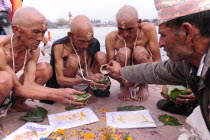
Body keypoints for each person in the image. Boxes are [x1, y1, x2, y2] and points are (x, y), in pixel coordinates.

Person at [107, 0, 210, 132]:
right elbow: (157, 71)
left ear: (187, 32)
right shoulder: (186, 64)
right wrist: (122, 71)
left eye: (163, 35)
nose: (160, 44)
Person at [0, 7, 84, 133]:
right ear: (17, 30)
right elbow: (18, 88)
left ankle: (17, 105)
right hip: (4, 83)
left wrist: (61, 92)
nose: (41, 38)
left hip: (11, 85)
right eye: (36, 32)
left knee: (45, 68)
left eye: (43, 32)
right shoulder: (1, 48)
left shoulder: (33, 49)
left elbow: (29, 84)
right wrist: (57, 95)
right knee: (5, 79)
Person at [46, 15, 110, 104]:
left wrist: (95, 78)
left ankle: (90, 90)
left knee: (101, 55)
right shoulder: (60, 46)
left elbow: (88, 69)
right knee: (73, 59)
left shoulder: (93, 43)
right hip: (69, 80)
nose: (86, 46)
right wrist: (86, 79)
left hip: (84, 76)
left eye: (89, 41)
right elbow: (60, 79)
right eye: (82, 41)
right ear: (70, 35)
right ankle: (71, 92)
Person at [105, 5, 161, 102]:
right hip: (123, 73)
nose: (125, 34)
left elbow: (157, 60)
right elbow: (110, 68)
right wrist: (122, 79)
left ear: (139, 22)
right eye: (121, 29)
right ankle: (124, 86)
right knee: (123, 52)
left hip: (142, 70)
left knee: (139, 51)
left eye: (130, 29)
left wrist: (143, 78)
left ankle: (144, 86)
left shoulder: (148, 29)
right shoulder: (111, 37)